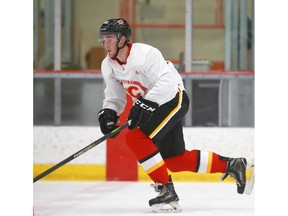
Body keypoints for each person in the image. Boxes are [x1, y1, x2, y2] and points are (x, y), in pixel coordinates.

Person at [97, 18, 253, 213]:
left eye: (109, 38)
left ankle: (166, 191)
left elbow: (168, 82)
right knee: (174, 159)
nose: (105, 43)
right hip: (154, 106)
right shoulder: (108, 65)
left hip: (172, 99)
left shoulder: (145, 54)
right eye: (103, 39)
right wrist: (109, 112)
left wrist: (146, 103)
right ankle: (232, 165)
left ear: (122, 39)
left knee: (135, 137)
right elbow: (114, 96)